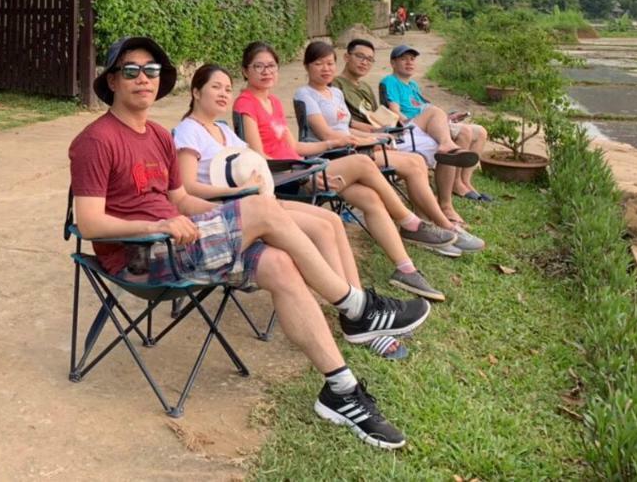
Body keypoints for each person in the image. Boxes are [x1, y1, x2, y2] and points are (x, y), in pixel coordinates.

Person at [71, 37, 430, 448]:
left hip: (179, 244)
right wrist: (167, 226)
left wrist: (226, 206)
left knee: (278, 261)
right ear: (112, 81)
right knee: (263, 211)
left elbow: (180, 199)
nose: (143, 79)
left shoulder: (157, 135)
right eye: (130, 71)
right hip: (139, 255)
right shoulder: (96, 140)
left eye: (151, 71)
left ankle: (341, 390)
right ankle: (356, 308)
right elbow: (91, 223)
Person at [173, 64, 445, 332]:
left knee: (332, 221)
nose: (223, 93)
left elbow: (257, 165)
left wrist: (302, 172)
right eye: (215, 87)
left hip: (257, 198)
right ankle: (358, 312)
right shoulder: (189, 130)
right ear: (196, 92)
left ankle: (360, 308)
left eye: (227, 89)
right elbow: (187, 186)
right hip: (230, 211)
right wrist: (239, 191)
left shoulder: (223, 130)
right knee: (322, 226)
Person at [232, 41, 478, 259]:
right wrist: (317, 161)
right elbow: (260, 159)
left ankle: (406, 269)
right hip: (292, 176)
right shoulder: (250, 103)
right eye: (259, 67)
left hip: (310, 164)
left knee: (372, 198)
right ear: (245, 70)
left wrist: (346, 140)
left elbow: (294, 146)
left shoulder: (274, 101)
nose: (267, 72)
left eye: (271, 66)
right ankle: (420, 223)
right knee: (368, 163)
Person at [335, 38, 493, 205]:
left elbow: (378, 115)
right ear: (346, 57)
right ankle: (450, 193)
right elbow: (347, 123)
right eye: (360, 56)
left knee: (449, 124)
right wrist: (380, 132)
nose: (364, 62)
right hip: (378, 137)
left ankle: (459, 187)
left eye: (369, 59)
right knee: (451, 131)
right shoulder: (338, 86)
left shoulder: (369, 86)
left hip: (390, 132)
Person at [381, 45, 494, 223]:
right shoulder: (390, 81)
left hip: (429, 122)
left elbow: (423, 107)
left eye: (412, 59)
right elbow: (395, 112)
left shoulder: (412, 85)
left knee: (480, 131)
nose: (409, 62)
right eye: (404, 59)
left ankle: (465, 181)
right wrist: (415, 119)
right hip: (412, 126)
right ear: (393, 63)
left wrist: (446, 118)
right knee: (462, 132)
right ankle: (455, 184)